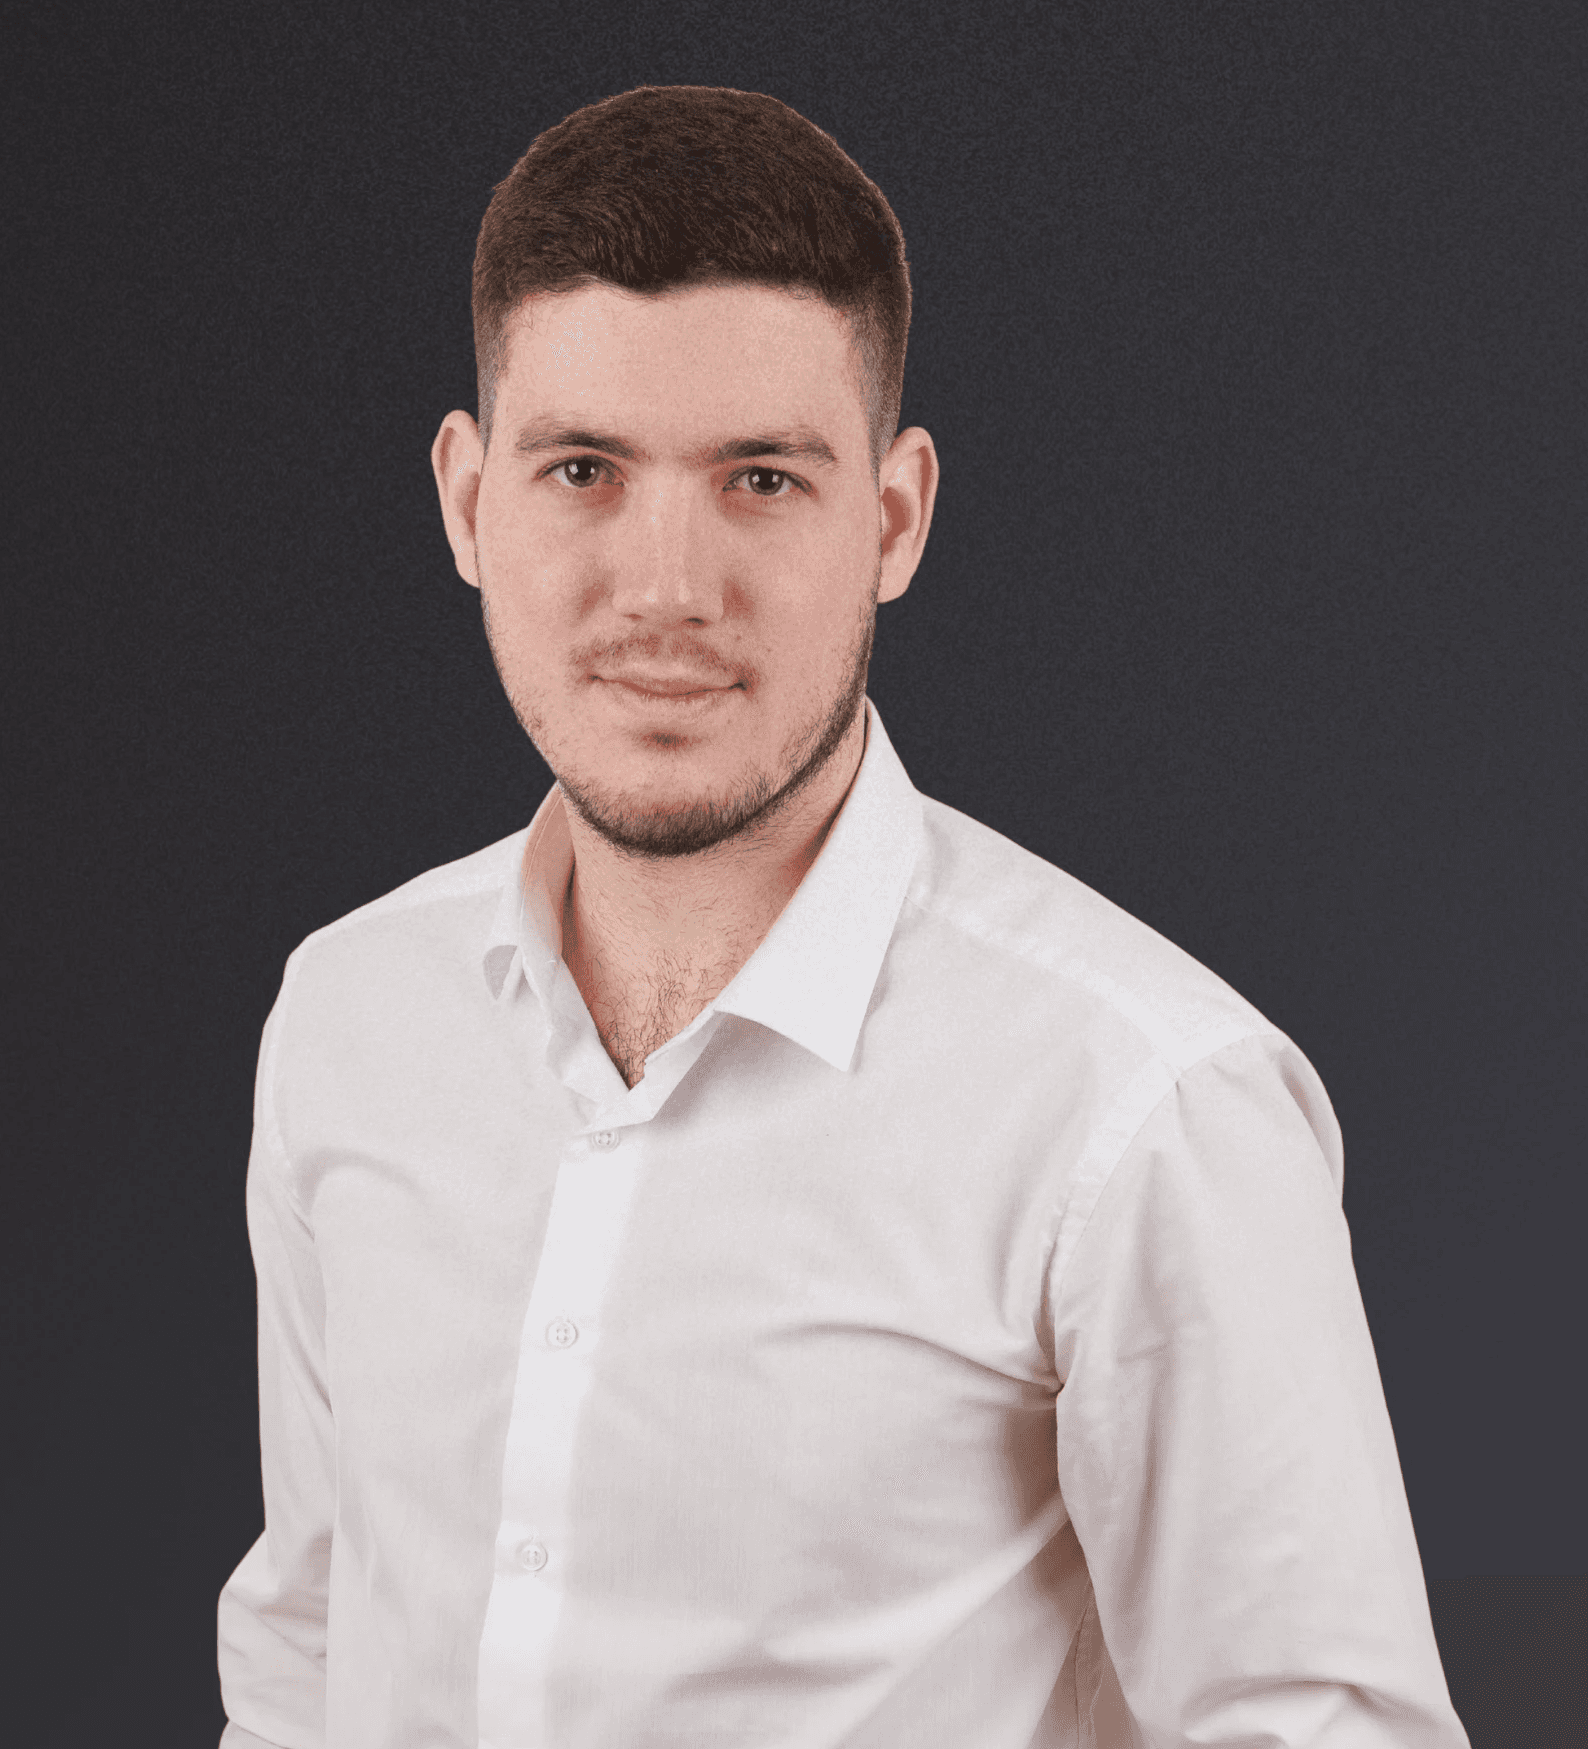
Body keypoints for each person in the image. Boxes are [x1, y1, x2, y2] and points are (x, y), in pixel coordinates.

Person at [217, 85, 1467, 1748]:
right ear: (467, 500)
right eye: (582, 468)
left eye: (760, 480)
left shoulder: (1145, 1108)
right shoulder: (350, 1019)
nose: (664, 583)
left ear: (893, 517)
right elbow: (311, 1655)